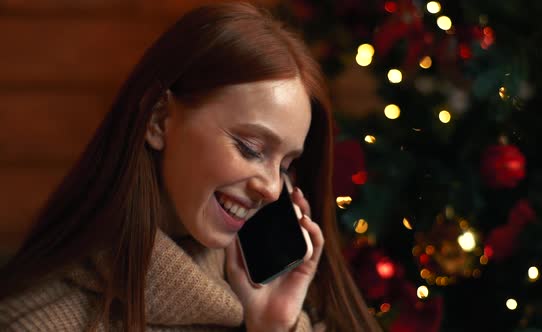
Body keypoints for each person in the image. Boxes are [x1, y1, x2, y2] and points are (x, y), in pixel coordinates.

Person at [0, 2, 381, 331]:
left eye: (285, 165)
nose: (271, 188)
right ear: (159, 119)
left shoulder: (289, 301)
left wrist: (273, 327)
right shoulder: (37, 322)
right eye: (250, 148)